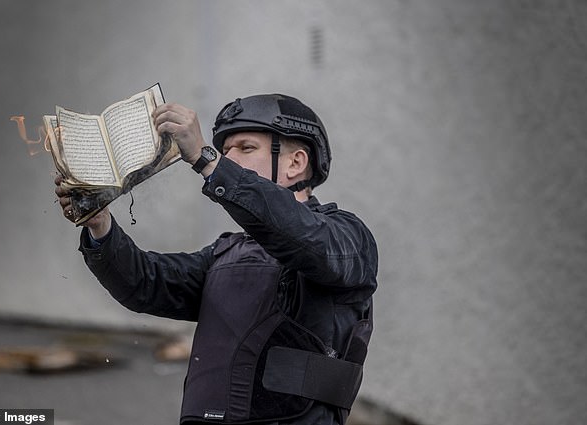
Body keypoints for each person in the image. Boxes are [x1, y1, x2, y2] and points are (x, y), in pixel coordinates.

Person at [55, 93, 378, 425]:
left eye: (246, 147)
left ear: (296, 163)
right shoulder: (227, 252)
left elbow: (302, 236)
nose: (229, 157)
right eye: (225, 151)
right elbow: (145, 283)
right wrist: (100, 226)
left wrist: (208, 159)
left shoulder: (348, 239)